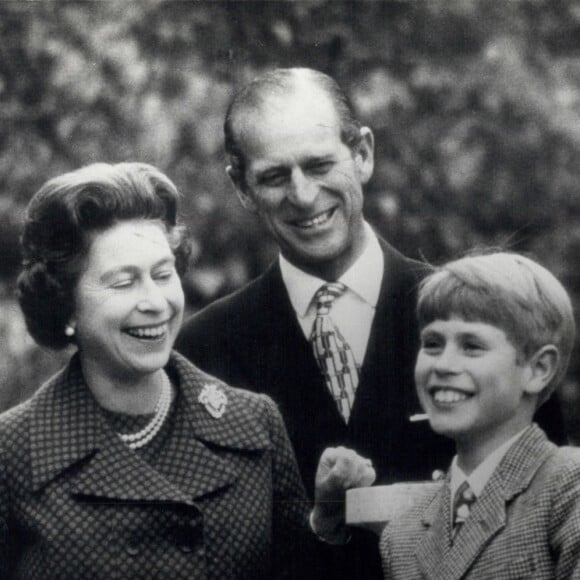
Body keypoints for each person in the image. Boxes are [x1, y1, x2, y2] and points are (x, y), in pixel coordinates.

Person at [176, 67, 565, 500]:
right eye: (274, 177)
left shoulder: (485, 318)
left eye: (319, 164)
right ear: (242, 188)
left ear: (362, 153)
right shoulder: (202, 352)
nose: (303, 195)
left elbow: (549, 511)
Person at [1, 162, 309, 579]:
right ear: (66, 304)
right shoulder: (14, 452)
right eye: (124, 282)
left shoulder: (254, 425)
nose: (156, 302)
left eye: (163, 275)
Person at [375, 252, 580, 578]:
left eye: (471, 346)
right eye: (432, 343)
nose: (442, 364)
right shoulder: (401, 535)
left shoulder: (567, 487)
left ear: (537, 369)